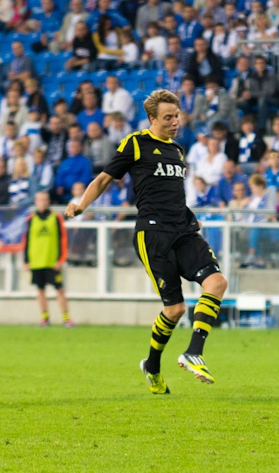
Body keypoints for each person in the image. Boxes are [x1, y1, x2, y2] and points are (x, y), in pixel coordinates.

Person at [66, 90, 228, 394]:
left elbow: (170, 192)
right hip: (153, 234)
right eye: (168, 117)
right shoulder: (135, 143)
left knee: (217, 283)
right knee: (175, 310)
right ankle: (152, 365)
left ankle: (194, 352)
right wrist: (81, 204)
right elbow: (104, 178)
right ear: (152, 119)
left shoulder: (178, 150)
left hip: (183, 229)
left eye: (177, 116)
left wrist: (190, 215)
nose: (174, 122)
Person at [24, 191, 74, 328]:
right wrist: (26, 260)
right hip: (37, 261)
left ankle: (66, 318)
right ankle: (45, 318)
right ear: (36, 201)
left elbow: (62, 239)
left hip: (52, 262)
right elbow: (26, 241)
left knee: (60, 290)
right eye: (40, 200)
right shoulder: (30, 219)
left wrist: (61, 259)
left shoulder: (56, 218)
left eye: (45, 200)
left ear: (49, 201)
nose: (43, 202)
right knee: (40, 290)